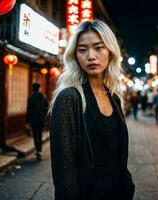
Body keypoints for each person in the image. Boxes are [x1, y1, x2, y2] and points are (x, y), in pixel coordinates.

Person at [49, 20, 135, 200]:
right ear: (75, 55)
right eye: (82, 50)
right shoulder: (69, 98)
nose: (91, 56)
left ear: (111, 52)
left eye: (98, 48)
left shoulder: (114, 96)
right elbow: (64, 169)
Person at [26, 83, 49, 160]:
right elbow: (47, 108)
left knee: (35, 135)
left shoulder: (30, 98)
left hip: (33, 119)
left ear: (32, 89)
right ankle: (39, 150)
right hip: (41, 119)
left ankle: (37, 150)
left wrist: (27, 121)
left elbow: (29, 110)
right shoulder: (43, 98)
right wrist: (45, 117)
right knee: (40, 134)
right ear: (39, 88)